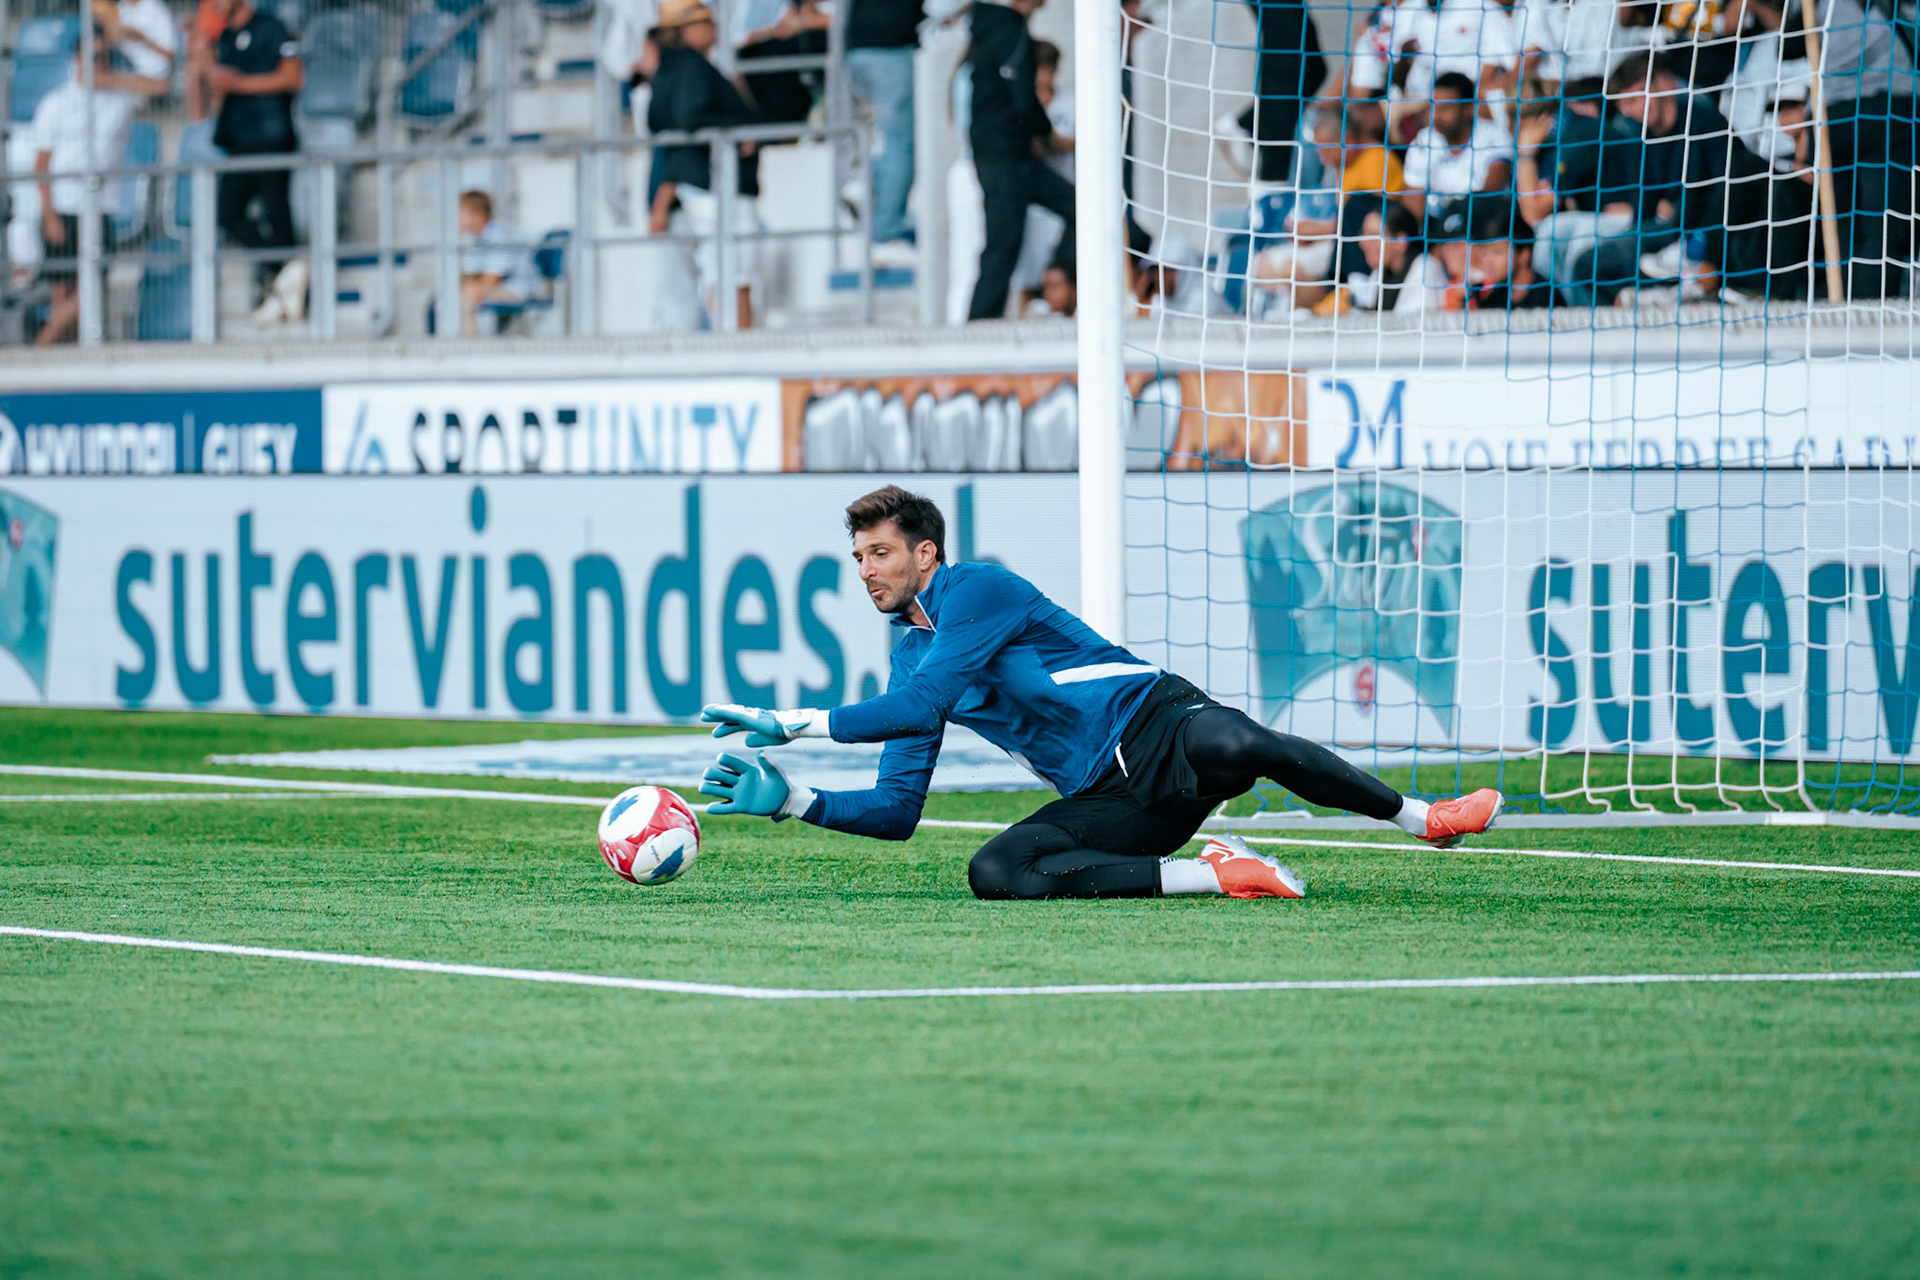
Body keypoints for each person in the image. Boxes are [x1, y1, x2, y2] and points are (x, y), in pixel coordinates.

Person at [697, 485, 1502, 901]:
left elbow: (921, 707)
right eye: (858, 558)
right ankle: (1220, 874)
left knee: (1237, 744)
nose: (866, 569)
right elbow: (899, 812)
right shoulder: (912, 659)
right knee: (996, 871)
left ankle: (1424, 820)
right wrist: (792, 800)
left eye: (879, 552)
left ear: (926, 553)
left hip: (1156, 721)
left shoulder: (975, 589)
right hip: (1107, 793)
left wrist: (792, 721)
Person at [27, 46, 160, 346]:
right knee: (61, 292)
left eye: (104, 57)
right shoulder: (57, 101)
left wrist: (112, 78)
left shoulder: (121, 97)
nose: (98, 64)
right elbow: (41, 165)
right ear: (76, 60)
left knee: (93, 289)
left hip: (100, 208)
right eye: (92, 57)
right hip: (63, 207)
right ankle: (60, 358)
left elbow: (160, 85)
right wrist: (49, 215)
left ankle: (42, 345)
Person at [649, 0, 764, 329]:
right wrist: (737, 130)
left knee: (724, 267)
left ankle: (731, 338)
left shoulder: (669, 69)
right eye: (704, 20)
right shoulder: (691, 68)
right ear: (685, 29)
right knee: (734, 269)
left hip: (703, 181)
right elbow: (691, 118)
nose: (713, 24)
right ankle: (737, 344)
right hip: (715, 181)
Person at [965, 0, 1073, 321]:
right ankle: (979, 327)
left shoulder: (997, 30)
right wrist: (1047, 134)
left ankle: (1061, 282)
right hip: (1004, 157)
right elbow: (1022, 99)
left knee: (1081, 208)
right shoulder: (1007, 31)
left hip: (1014, 155)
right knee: (1003, 245)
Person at [210, 0, 306, 326]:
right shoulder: (224, 38)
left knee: (276, 211)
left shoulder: (272, 27)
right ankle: (286, 271)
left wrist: (240, 83)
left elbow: (294, 77)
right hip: (239, 142)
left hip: (271, 135)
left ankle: (289, 283)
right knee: (228, 214)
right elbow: (215, 94)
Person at [845, 0, 925, 248]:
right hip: (890, 51)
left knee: (884, 136)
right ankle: (887, 227)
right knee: (900, 142)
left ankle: (860, 185)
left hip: (858, 52)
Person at [1399, 71, 1515, 224]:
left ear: (1469, 109)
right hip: (1436, 231)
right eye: (1433, 107)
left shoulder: (1495, 137)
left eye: (1445, 108)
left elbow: (1488, 198)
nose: (1436, 116)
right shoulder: (1423, 142)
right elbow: (1413, 208)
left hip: (1480, 227)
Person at [1331, 199, 1451, 312]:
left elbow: (1410, 329)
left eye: (1373, 236)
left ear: (1400, 241)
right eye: (1363, 235)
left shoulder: (1426, 270)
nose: (1362, 244)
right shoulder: (1379, 274)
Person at [453, 190, 541, 336]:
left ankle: (470, 352)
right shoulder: (478, 239)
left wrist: (471, 288)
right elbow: (470, 274)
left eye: (462, 214)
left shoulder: (499, 236)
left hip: (518, 289)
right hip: (500, 285)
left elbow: (491, 280)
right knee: (449, 296)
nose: (458, 219)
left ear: (479, 216)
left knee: (465, 299)